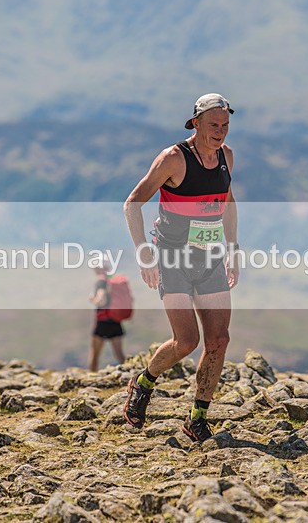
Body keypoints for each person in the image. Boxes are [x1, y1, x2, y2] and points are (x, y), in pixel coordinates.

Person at [122, 93, 239, 442]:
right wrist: (144, 253)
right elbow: (133, 203)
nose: (220, 131)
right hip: (173, 258)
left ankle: (198, 418)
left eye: (225, 125)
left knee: (219, 339)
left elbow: (228, 202)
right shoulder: (173, 159)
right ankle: (144, 382)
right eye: (213, 125)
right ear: (196, 123)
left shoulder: (227, 157)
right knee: (187, 340)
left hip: (210, 258)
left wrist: (233, 248)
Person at [88, 264, 126, 372]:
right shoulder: (112, 280)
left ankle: (92, 375)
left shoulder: (101, 281)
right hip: (115, 320)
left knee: (94, 354)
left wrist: (93, 299)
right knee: (119, 354)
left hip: (102, 322)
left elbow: (101, 300)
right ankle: (130, 374)